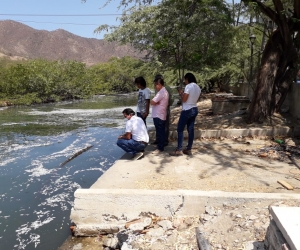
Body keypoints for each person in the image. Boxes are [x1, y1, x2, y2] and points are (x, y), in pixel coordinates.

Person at [169, 73, 201, 156]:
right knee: (191, 130)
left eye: (185, 79)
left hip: (187, 110)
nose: (184, 81)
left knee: (180, 129)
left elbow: (184, 100)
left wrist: (181, 93)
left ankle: (179, 149)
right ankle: (189, 149)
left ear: (188, 79)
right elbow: (195, 99)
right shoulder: (197, 87)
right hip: (194, 108)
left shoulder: (188, 86)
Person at [152, 74, 174, 146]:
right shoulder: (159, 89)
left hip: (164, 108)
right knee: (158, 126)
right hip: (158, 109)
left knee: (164, 125)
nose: (155, 86)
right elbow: (155, 99)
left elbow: (172, 98)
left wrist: (166, 104)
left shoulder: (166, 89)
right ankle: (158, 139)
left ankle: (164, 141)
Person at [150, 78, 169, 154]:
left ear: (159, 84)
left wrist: (154, 102)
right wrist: (155, 102)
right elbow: (154, 102)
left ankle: (160, 148)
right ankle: (160, 145)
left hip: (159, 115)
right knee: (160, 131)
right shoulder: (163, 92)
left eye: (155, 85)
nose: (155, 87)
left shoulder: (161, 93)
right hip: (160, 114)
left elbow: (152, 102)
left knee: (160, 131)